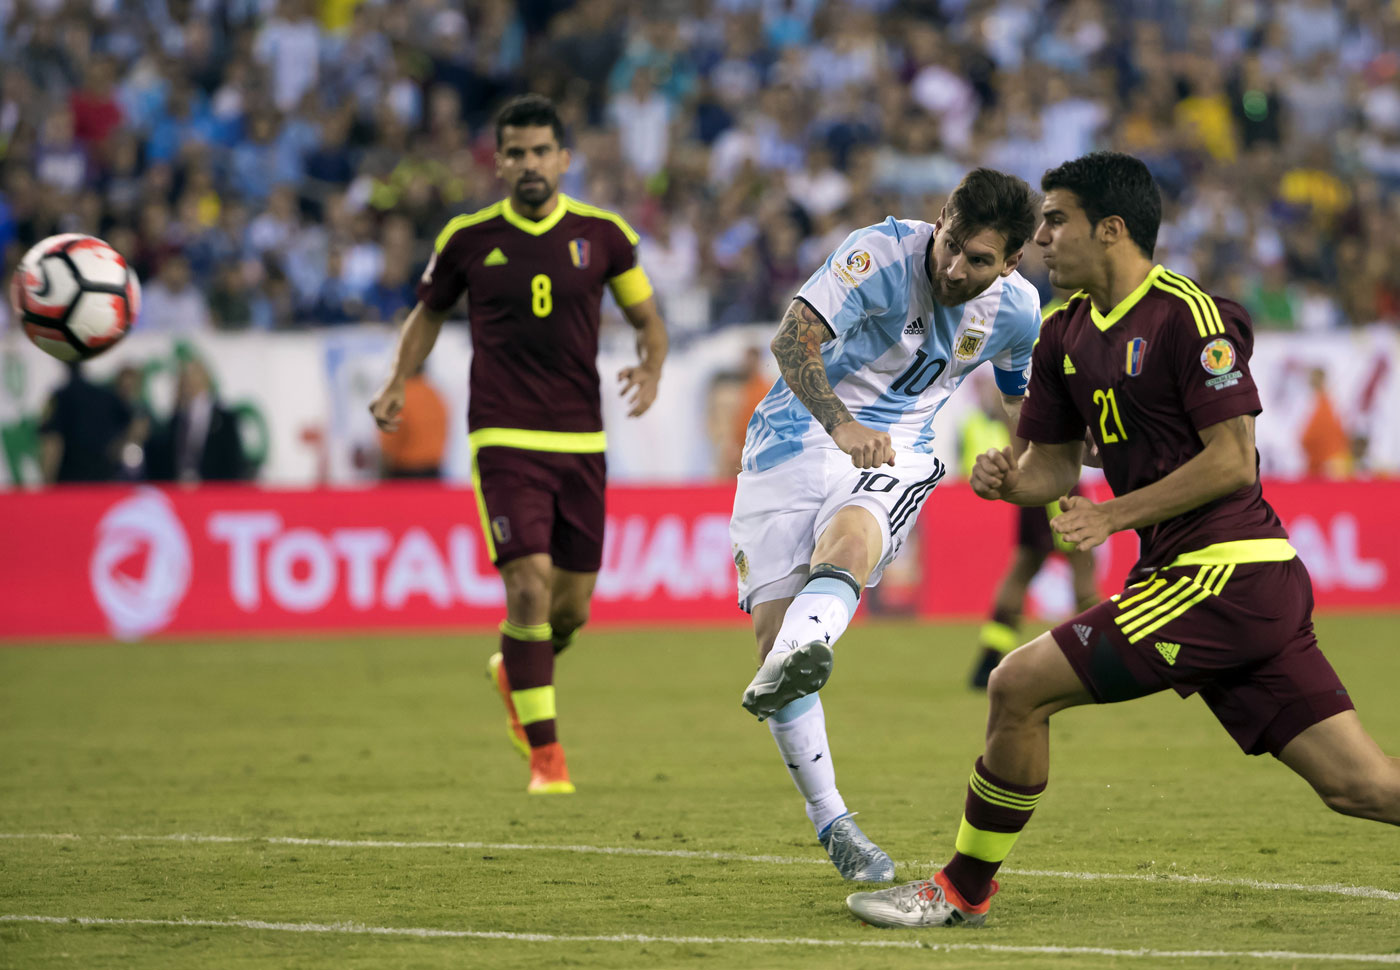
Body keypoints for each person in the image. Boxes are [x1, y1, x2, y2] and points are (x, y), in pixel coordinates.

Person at [846, 151, 1400, 929]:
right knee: (1362, 788)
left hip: (1223, 576)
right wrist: (1010, 479)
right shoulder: (1063, 333)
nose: (1039, 237)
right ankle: (964, 887)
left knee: (1016, 686)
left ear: (1110, 229)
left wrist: (1114, 514)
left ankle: (963, 888)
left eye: (1055, 219)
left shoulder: (1188, 315)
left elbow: (1234, 461)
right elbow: (1054, 470)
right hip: (1216, 587)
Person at [731, 168, 1043, 880]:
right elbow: (790, 341)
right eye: (953, 244)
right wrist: (840, 425)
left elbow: (1022, 405)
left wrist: (1031, 466)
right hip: (791, 441)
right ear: (941, 218)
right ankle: (832, 821)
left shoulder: (1018, 312)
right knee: (773, 645)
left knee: (851, 539)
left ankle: (806, 643)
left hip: (898, 448)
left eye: (980, 260)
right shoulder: (877, 253)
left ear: (1013, 262)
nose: (956, 267)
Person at [368, 95, 668, 796]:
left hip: (582, 440)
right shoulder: (467, 240)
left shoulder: (605, 236)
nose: (529, 164)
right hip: (503, 437)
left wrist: (652, 368)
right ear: (498, 162)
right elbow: (428, 315)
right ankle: (548, 761)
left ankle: (515, 669)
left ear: (564, 159)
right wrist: (396, 382)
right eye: (516, 153)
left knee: (569, 611)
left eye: (541, 151)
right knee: (526, 585)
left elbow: (648, 321)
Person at [963, 356, 1099, 690]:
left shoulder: (1013, 373)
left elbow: (1010, 418)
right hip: (1052, 481)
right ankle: (1098, 656)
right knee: (1082, 561)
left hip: (1024, 478)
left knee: (1024, 566)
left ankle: (989, 658)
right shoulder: (1052, 368)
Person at [145, 357, 248, 483]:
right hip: (178, 493)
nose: (188, 383)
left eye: (193, 377)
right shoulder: (176, 420)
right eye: (184, 378)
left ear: (205, 379)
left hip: (213, 493)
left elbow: (234, 464)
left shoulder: (225, 420)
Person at [38, 361, 133, 484]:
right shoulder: (106, 396)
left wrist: (47, 481)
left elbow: (52, 443)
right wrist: (116, 451)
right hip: (103, 481)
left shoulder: (61, 397)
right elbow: (132, 423)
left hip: (70, 483)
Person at [378, 363, 448, 479]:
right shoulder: (435, 395)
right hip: (433, 473)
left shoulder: (401, 395)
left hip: (405, 473)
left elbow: (391, 437)